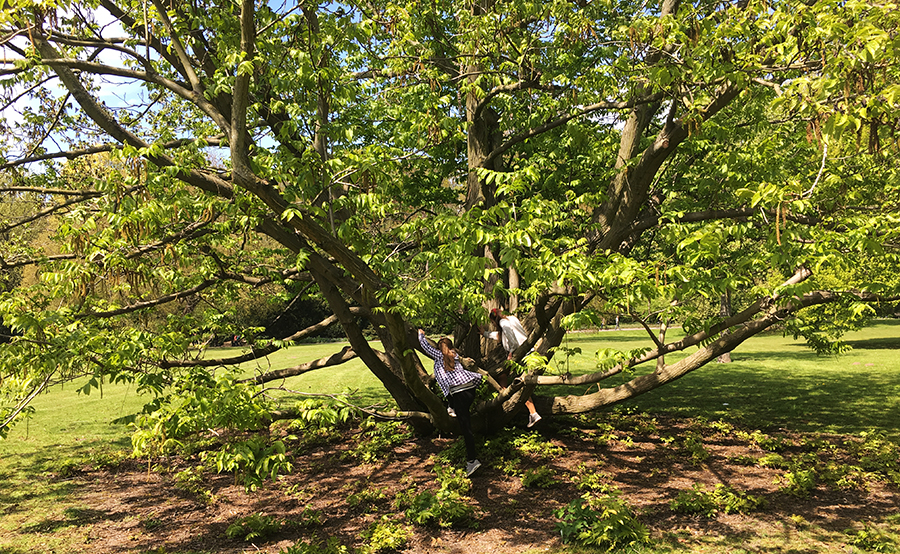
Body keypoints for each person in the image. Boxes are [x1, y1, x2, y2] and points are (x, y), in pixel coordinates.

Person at [417, 329, 483, 476]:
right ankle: (451, 407)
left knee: (466, 428)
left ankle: (472, 460)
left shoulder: (439, 355)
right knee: (463, 415)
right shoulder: (455, 354)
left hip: (459, 392)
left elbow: (425, 346)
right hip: (470, 388)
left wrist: (421, 334)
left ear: (439, 348)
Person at [482, 308, 542, 428]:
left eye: (493, 323)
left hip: (519, 355)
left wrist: (511, 352)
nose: (494, 325)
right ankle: (505, 394)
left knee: (519, 382)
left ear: (495, 319)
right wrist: (485, 333)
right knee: (503, 375)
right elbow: (501, 335)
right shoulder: (512, 319)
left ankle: (532, 412)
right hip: (527, 352)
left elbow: (511, 337)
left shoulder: (503, 323)